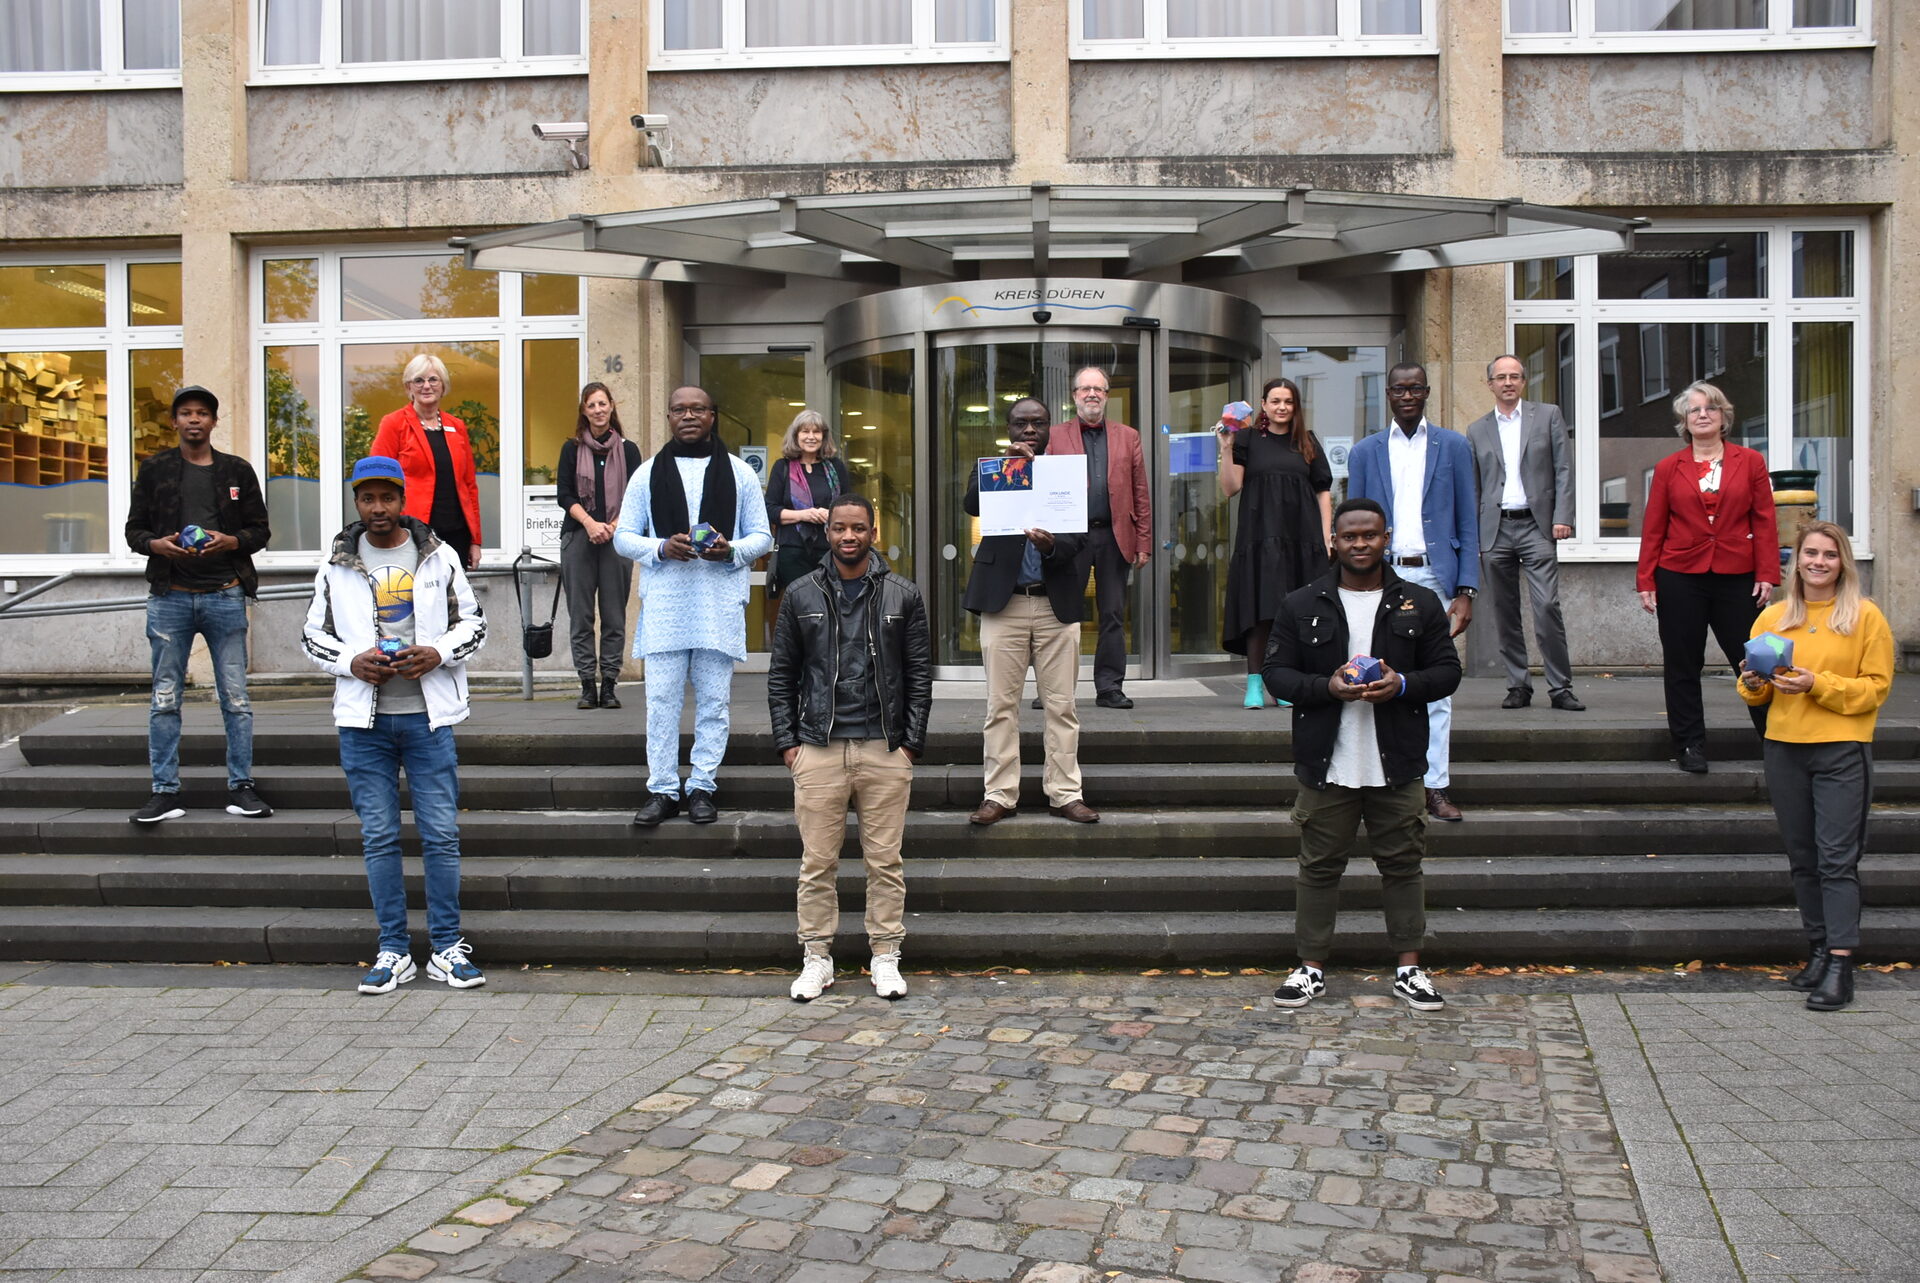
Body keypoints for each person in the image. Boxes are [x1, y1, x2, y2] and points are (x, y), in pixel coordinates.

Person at [1262, 498, 1461, 1012]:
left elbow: (1447, 671)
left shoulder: (1419, 602)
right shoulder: (1301, 603)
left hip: (1397, 762)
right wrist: (1325, 687)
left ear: (1385, 538)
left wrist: (1402, 684)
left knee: (1403, 865)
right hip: (1328, 761)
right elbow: (1276, 673)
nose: (1359, 544)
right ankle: (1310, 968)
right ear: (1334, 541)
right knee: (1318, 867)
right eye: (1349, 536)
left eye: (1369, 535)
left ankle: (1409, 970)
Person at [302, 456, 488, 995]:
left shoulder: (438, 555)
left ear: (403, 500)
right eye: (368, 498)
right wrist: (350, 662)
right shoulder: (337, 564)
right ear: (357, 503)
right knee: (380, 837)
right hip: (364, 724)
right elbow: (313, 634)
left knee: (441, 835)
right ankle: (394, 950)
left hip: (429, 719)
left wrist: (439, 653)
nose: (378, 508)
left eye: (387, 497)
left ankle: (446, 948)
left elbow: (473, 623)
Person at [768, 494, 931, 1003]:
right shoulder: (801, 593)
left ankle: (885, 954)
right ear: (827, 533)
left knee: (885, 862)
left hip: (884, 748)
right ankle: (817, 957)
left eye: (858, 528)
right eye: (840, 527)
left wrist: (910, 744)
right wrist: (789, 744)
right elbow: (781, 676)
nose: (849, 536)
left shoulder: (903, 594)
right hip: (819, 748)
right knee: (817, 864)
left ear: (873, 533)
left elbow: (919, 676)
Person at [1738, 521, 1892, 1013]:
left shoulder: (1864, 616)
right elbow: (1753, 691)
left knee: (1836, 860)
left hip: (1842, 750)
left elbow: (1876, 688)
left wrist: (1817, 684)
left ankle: (1841, 963)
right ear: (1796, 561)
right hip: (1784, 748)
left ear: (1842, 563)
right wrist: (1753, 683)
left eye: (1829, 554)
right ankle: (1819, 949)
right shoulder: (1773, 617)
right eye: (1810, 553)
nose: (1818, 562)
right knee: (1802, 857)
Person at [614, 386, 773, 827]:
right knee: (661, 702)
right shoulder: (646, 474)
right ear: (668, 416)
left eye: (697, 409)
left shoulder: (740, 473)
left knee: (714, 703)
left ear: (712, 415)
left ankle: (702, 785)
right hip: (665, 607)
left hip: (717, 606)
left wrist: (732, 550)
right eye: (680, 409)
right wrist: (660, 547)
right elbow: (623, 536)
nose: (688, 415)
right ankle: (662, 789)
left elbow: (762, 536)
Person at [124, 385, 273, 825]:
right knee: (164, 698)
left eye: (202, 413)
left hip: (225, 593)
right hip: (170, 597)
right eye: (186, 413)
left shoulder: (237, 471)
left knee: (236, 698)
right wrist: (156, 545)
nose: (194, 419)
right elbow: (134, 531)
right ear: (174, 421)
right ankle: (164, 792)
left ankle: (241, 787)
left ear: (213, 421)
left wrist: (232, 541)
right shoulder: (155, 469)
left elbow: (260, 530)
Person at [1345, 362, 1479, 822]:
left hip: (1436, 580)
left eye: (1415, 388)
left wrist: (1466, 588)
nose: (1407, 395)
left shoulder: (1453, 446)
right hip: (1381, 578)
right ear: (1388, 394)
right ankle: (1377, 780)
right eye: (1399, 389)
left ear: (1426, 392)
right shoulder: (1365, 452)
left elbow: (1468, 520)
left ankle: (1434, 786)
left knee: (1436, 686)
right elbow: (1354, 523)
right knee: (1371, 677)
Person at [965, 398, 1096, 825]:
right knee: (1000, 706)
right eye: (1020, 423)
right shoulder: (994, 468)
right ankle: (999, 794)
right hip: (1004, 604)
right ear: (1008, 428)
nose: (1029, 431)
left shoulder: (1065, 474)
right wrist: (1006, 466)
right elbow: (971, 503)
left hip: (1055, 603)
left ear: (1049, 428)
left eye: (1037, 423)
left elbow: (1080, 537)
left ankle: (1066, 793)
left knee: (1062, 705)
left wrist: (1052, 546)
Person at [1636, 380, 1777, 774]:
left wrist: (1767, 571)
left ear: (1723, 416)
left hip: (1738, 575)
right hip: (1679, 575)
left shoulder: (1751, 461)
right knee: (1682, 663)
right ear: (1684, 420)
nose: (1702, 414)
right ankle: (1689, 745)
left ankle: (1777, 740)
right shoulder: (1669, 468)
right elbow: (1654, 526)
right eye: (1694, 409)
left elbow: (1764, 519)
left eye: (1710, 408)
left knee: (1754, 660)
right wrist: (1646, 579)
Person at [1465, 355, 1584, 712]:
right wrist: (1473, 536)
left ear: (1524, 381)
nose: (1508, 383)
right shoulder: (1477, 429)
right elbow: (1473, 486)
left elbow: (1564, 469)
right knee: (1504, 612)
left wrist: (1563, 517)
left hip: (1537, 525)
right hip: (1495, 529)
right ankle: (1518, 685)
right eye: (1501, 377)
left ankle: (1560, 687)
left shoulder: (1547, 416)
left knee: (1546, 606)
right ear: (1489, 384)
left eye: (1514, 376)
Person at [1217, 377, 1332, 709]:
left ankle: (1283, 681)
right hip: (1259, 539)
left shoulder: (1307, 441)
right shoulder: (1248, 438)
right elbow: (1230, 488)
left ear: (1296, 406)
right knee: (1261, 611)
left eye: (1288, 401)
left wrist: (1326, 537)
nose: (1282, 407)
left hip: (1301, 540)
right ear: (1264, 405)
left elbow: (1323, 492)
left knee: (1294, 612)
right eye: (1276, 401)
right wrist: (1226, 448)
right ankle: (1255, 682)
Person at [1047, 366, 1151, 709]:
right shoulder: (1054, 436)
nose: (1092, 394)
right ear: (1074, 395)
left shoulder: (1129, 436)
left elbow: (1140, 491)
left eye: (1099, 389)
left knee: (1113, 614)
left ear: (1107, 395)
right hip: (1069, 537)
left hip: (1114, 536)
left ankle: (1109, 688)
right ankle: (1055, 689)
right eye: (1085, 388)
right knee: (1062, 615)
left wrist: (1144, 541)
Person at [556, 382, 642, 710]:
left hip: (617, 538)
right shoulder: (571, 449)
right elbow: (564, 494)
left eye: (602, 404)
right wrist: (591, 524)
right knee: (580, 616)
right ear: (584, 410)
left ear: (611, 406)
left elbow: (635, 496)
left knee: (614, 615)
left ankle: (608, 685)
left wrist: (612, 527)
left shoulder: (629, 450)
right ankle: (586, 686)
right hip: (579, 537)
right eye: (591, 405)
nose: (597, 410)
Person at [370, 354, 483, 571]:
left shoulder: (457, 426)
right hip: (410, 533)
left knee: (453, 592)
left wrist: (475, 540)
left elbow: (469, 486)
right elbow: (377, 482)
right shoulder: (394, 423)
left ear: (443, 386)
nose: (426, 386)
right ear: (408, 387)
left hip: (456, 534)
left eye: (433, 379)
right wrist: (386, 532)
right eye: (419, 380)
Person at [764, 409, 851, 602]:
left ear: (823, 436)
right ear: (796, 435)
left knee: (831, 604)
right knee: (802, 605)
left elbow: (849, 507)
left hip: (830, 551)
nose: (811, 437)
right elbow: (770, 509)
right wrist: (804, 515)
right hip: (792, 552)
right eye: (805, 431)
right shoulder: (782, 467)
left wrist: (831, 515)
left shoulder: (836, 467)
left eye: (816, 432)